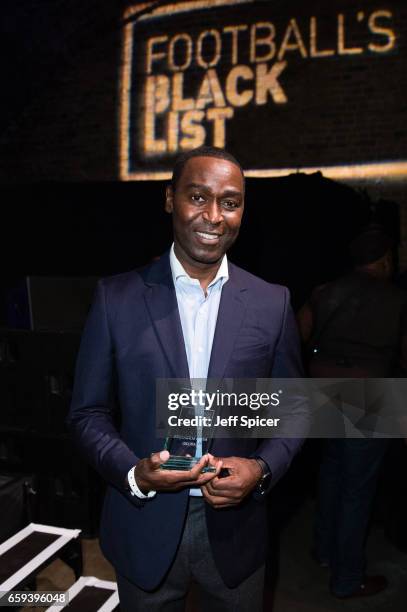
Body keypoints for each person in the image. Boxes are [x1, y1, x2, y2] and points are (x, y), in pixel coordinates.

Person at [68, 146, 304, 611]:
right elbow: (86, 413)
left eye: (230, 202)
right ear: (170, 199)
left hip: (236, 531)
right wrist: (133, 472)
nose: (214, 216)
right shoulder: (116, 298)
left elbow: (294, 406)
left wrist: (261, 468)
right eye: (198, 197)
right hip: (144, 524)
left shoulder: (271, 302)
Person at [297, 227, 407, 599]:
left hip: (324, 388)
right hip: (374, 392)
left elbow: (299, 336)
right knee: (358, 489)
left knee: (331, 471)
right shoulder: (398, 298)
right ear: (386, 259)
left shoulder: (324, 292)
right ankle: (346, 578)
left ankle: (324, 550)